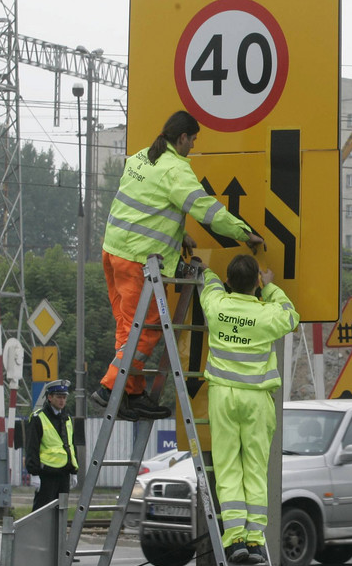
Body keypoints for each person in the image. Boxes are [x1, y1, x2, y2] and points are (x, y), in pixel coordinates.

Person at [93, 111, 264, 420]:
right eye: (193, 139)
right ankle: (109, 388)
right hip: (137, 261)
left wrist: (177, 232)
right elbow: (206, 210)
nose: (194, 146)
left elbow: (145, 204)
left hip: (113, 252)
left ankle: (130, 394)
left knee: (128, 329)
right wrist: (244, 234)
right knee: (147, 329)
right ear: (182, 137)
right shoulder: (176, 171)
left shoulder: (141, 158)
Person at [195, 253, 298, 564]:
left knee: (227, 467)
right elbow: (291, 316)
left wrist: (205, 268)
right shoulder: (267, 315)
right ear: (256, 282)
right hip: (256, 399)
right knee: (255, 468)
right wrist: (270, 287)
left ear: (229, 281)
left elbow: (208, 284)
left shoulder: (216, 307)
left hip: (223, 397)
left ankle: (235, 538)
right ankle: (254, 539)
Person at [25, 380, 78, 511]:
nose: (62, 400)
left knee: (61, 511)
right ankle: (37, 532)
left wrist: (74, 471)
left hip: (64, 473)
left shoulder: (67, 418)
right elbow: (32, 446)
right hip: (46, 473)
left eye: (64, 397)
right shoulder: (38, 418)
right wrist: (34, 473)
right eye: (58, 397)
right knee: (42, 511)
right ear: (49, 397)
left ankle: (58, 533)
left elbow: (71, 445)